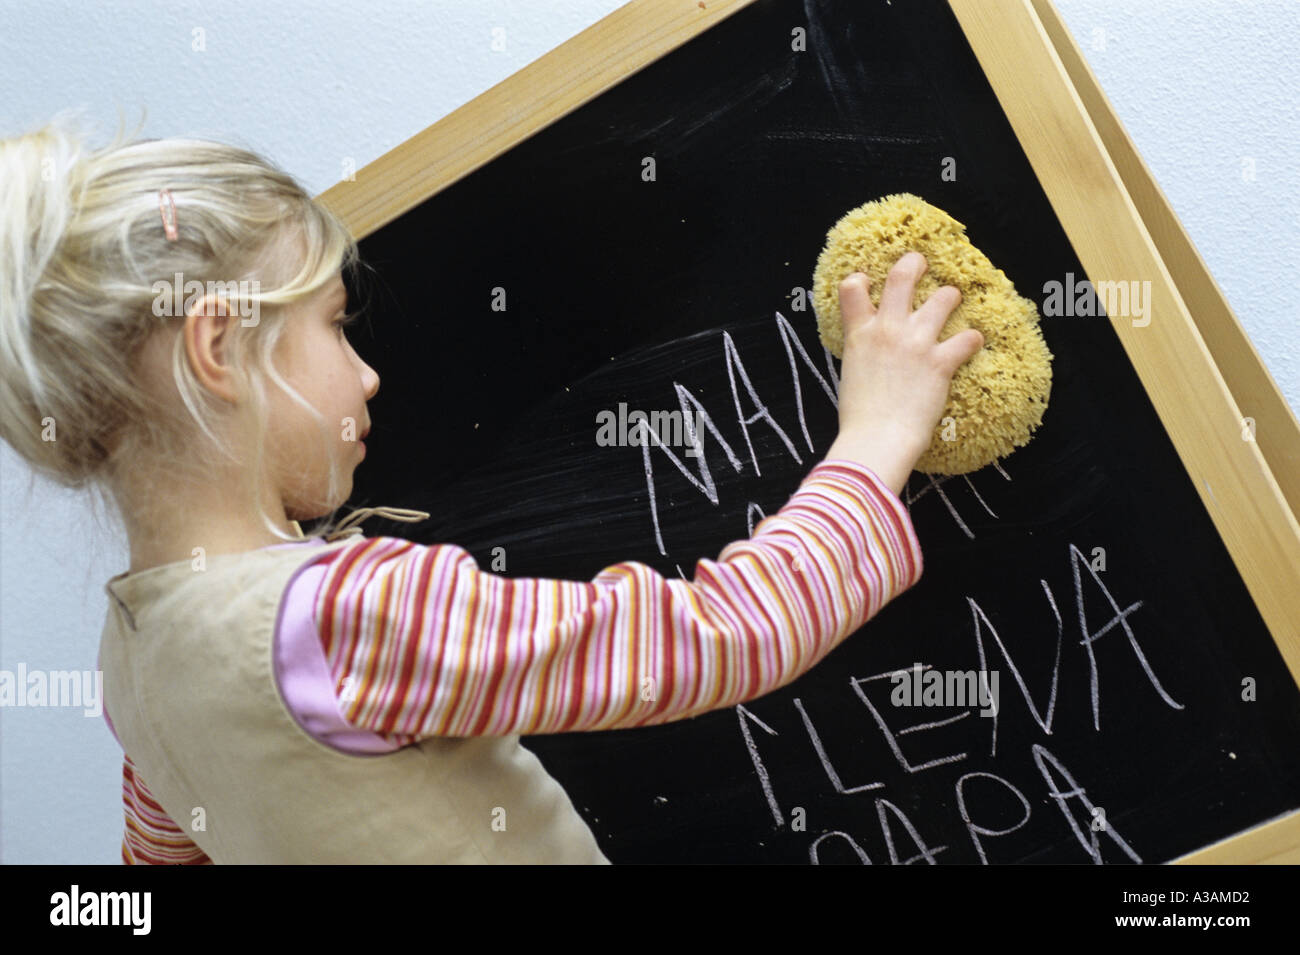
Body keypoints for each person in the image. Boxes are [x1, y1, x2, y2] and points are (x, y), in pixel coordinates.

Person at [0, 113, 983, 864]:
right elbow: (717, 635)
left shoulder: (133, 665)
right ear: (218, 346)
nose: (366, 371)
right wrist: (875, 438)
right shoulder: (348, 613)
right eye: (335, 325)